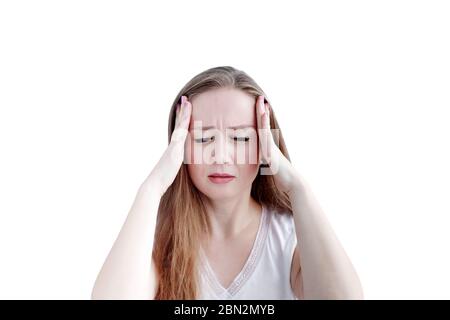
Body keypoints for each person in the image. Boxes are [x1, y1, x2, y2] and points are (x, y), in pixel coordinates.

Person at [91, 66, 364, 300]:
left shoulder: (291, 237)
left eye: (241, 138)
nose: (220, 156)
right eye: (202, 138)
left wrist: (297, 188)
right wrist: (151, 189)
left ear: (264, 146)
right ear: (180, 147)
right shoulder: (155, 238)